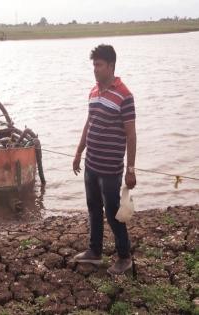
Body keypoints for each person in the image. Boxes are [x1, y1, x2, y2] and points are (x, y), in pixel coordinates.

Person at [72, 44, 137, 275]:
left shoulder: (124, 96)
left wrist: (131, 169)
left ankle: (124, 257)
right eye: (93, 65)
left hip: (110, 168)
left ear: (111, 65)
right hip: (91, 164)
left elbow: (131, 135)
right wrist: (79, 152)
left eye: (99, 65)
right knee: (93, 209)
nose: (95, 70)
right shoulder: (93, 91)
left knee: (112, 212)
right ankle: (95, 251)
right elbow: (89, 124)